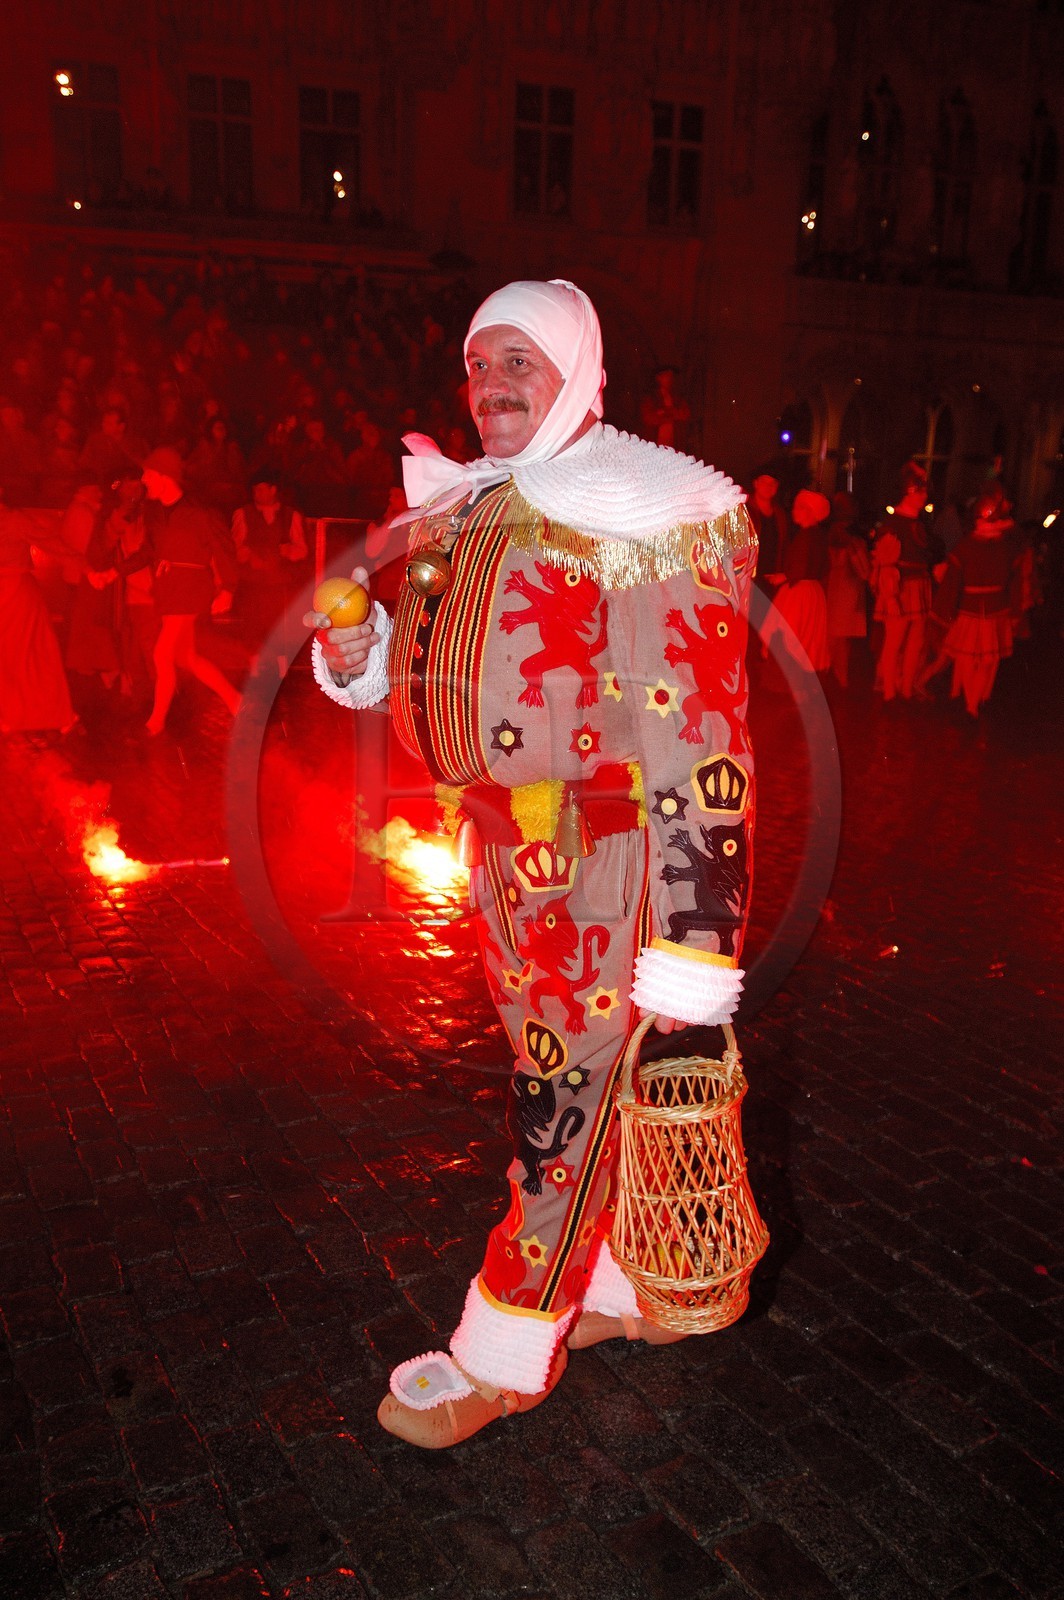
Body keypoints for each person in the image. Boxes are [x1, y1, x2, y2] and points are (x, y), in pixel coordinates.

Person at [306, 279, 756, 1449]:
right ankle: (620, 1284)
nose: (491, 384)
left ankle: (502, 1346)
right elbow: (450, 676)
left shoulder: (646, 513)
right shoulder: (470, 507)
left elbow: (701, 737)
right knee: (555, 1075)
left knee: (559, 1100)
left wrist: (693, 948)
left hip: (606, 866)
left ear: (577, 369)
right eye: (478, 362)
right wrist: (365, 658)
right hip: (503, 860)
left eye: (519, 360)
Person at [140, 448, 241, 736]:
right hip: (169, 591)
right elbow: (149, 551)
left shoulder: (199, 513)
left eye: (147, 474)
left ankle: (156, 722)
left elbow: (223, 549)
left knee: (162, 654)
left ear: (163, 476)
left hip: (189, 591)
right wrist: (114, 570)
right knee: (186, 658)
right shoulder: (155, 514)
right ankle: (236, 700)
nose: (143, 480)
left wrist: (228, 589)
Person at [919, 485, 1020, 716]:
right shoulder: (1006, 547)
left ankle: (970, 701)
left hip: (972, 612)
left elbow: (951, 586)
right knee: (986, 660)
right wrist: (1015, 612)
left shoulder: (967, 547)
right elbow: (1013, 583)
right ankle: (975, 701)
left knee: (968, 658)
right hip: (994, 612)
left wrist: (942, 614)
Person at [0, 488, 80, 735]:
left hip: (13, 592)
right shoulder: (14, 519)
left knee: (16, 655)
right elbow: (52, 543)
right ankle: (44, 714)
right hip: (15, 592)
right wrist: (86, 566)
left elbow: (52, 543)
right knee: (32, 654)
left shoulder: (14, 519)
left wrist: (85, 566)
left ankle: (16, 715)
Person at [871, 462, 934, 701]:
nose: (924, 496)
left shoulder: (919, 523)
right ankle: (889, 690)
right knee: (894, 640)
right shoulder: (893, 525)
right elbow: (885, 565)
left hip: (919, 585)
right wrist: (890, 597)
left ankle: (906, 688)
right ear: (909, 492)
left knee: (916, 641)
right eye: (920, 491)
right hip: (898, 588)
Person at [765, 487, 831, 675]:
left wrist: (784, 576)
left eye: (797, 508)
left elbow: (801, 565)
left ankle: (788, 675)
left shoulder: (807, 536)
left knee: (789, 631)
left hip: (799, 592)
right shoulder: (817, 535)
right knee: (804, 633)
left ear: (808, 512)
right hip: (812, 591)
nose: (793, 512)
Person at [825, 490, 871, 688]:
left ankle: (831, 673)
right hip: (846, 590)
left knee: (835, 635)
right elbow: (864, 571)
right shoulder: (852, 539)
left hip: (835, 589)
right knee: (840, 637)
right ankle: (838, 676)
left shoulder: (830, 534)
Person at [746, 464, 789, 589]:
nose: (769, 487)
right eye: (764, 482)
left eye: (773, 483)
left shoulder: (780, 515)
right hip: (748, 576)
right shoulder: (745, 510)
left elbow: (784, 545)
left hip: (772, 577)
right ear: (756, 484)